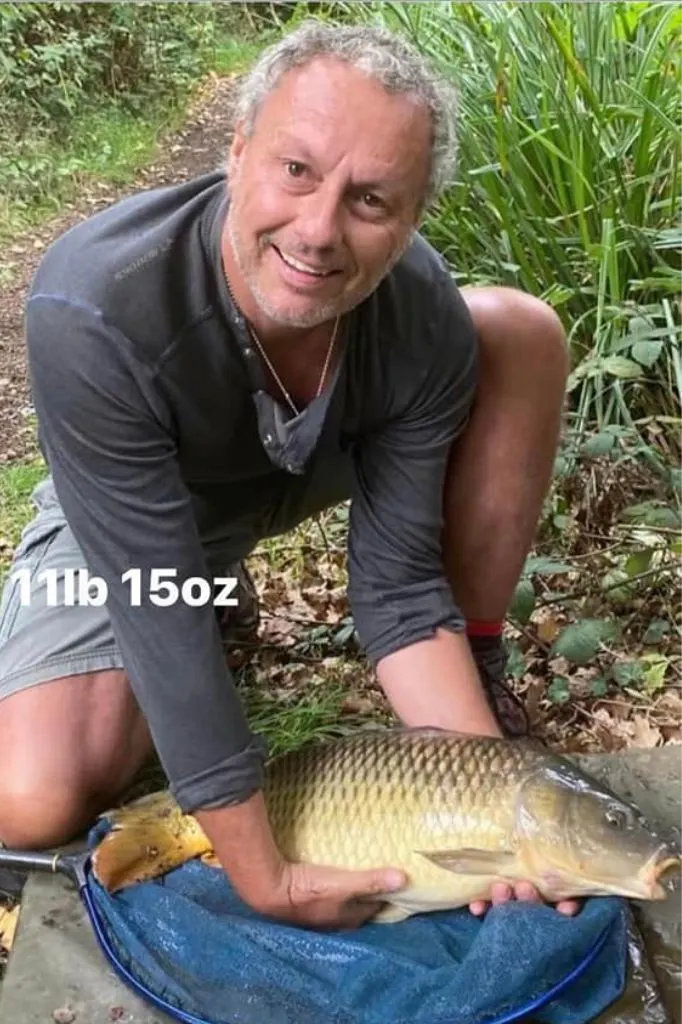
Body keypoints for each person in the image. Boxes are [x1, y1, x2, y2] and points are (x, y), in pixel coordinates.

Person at [0, 21, 573, 928]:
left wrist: (491, 797)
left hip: (311, 463)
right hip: (140, 517)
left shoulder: (418, 316)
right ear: (236, 150)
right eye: (296, 170)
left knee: (515, 330)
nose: (318, 230)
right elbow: (149, 592)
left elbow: (396, 587)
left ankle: (480, 661)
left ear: (413, 216)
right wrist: (263, 874)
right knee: (34, 794)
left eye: (372, 200)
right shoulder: (94, 301)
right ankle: (203, 601)